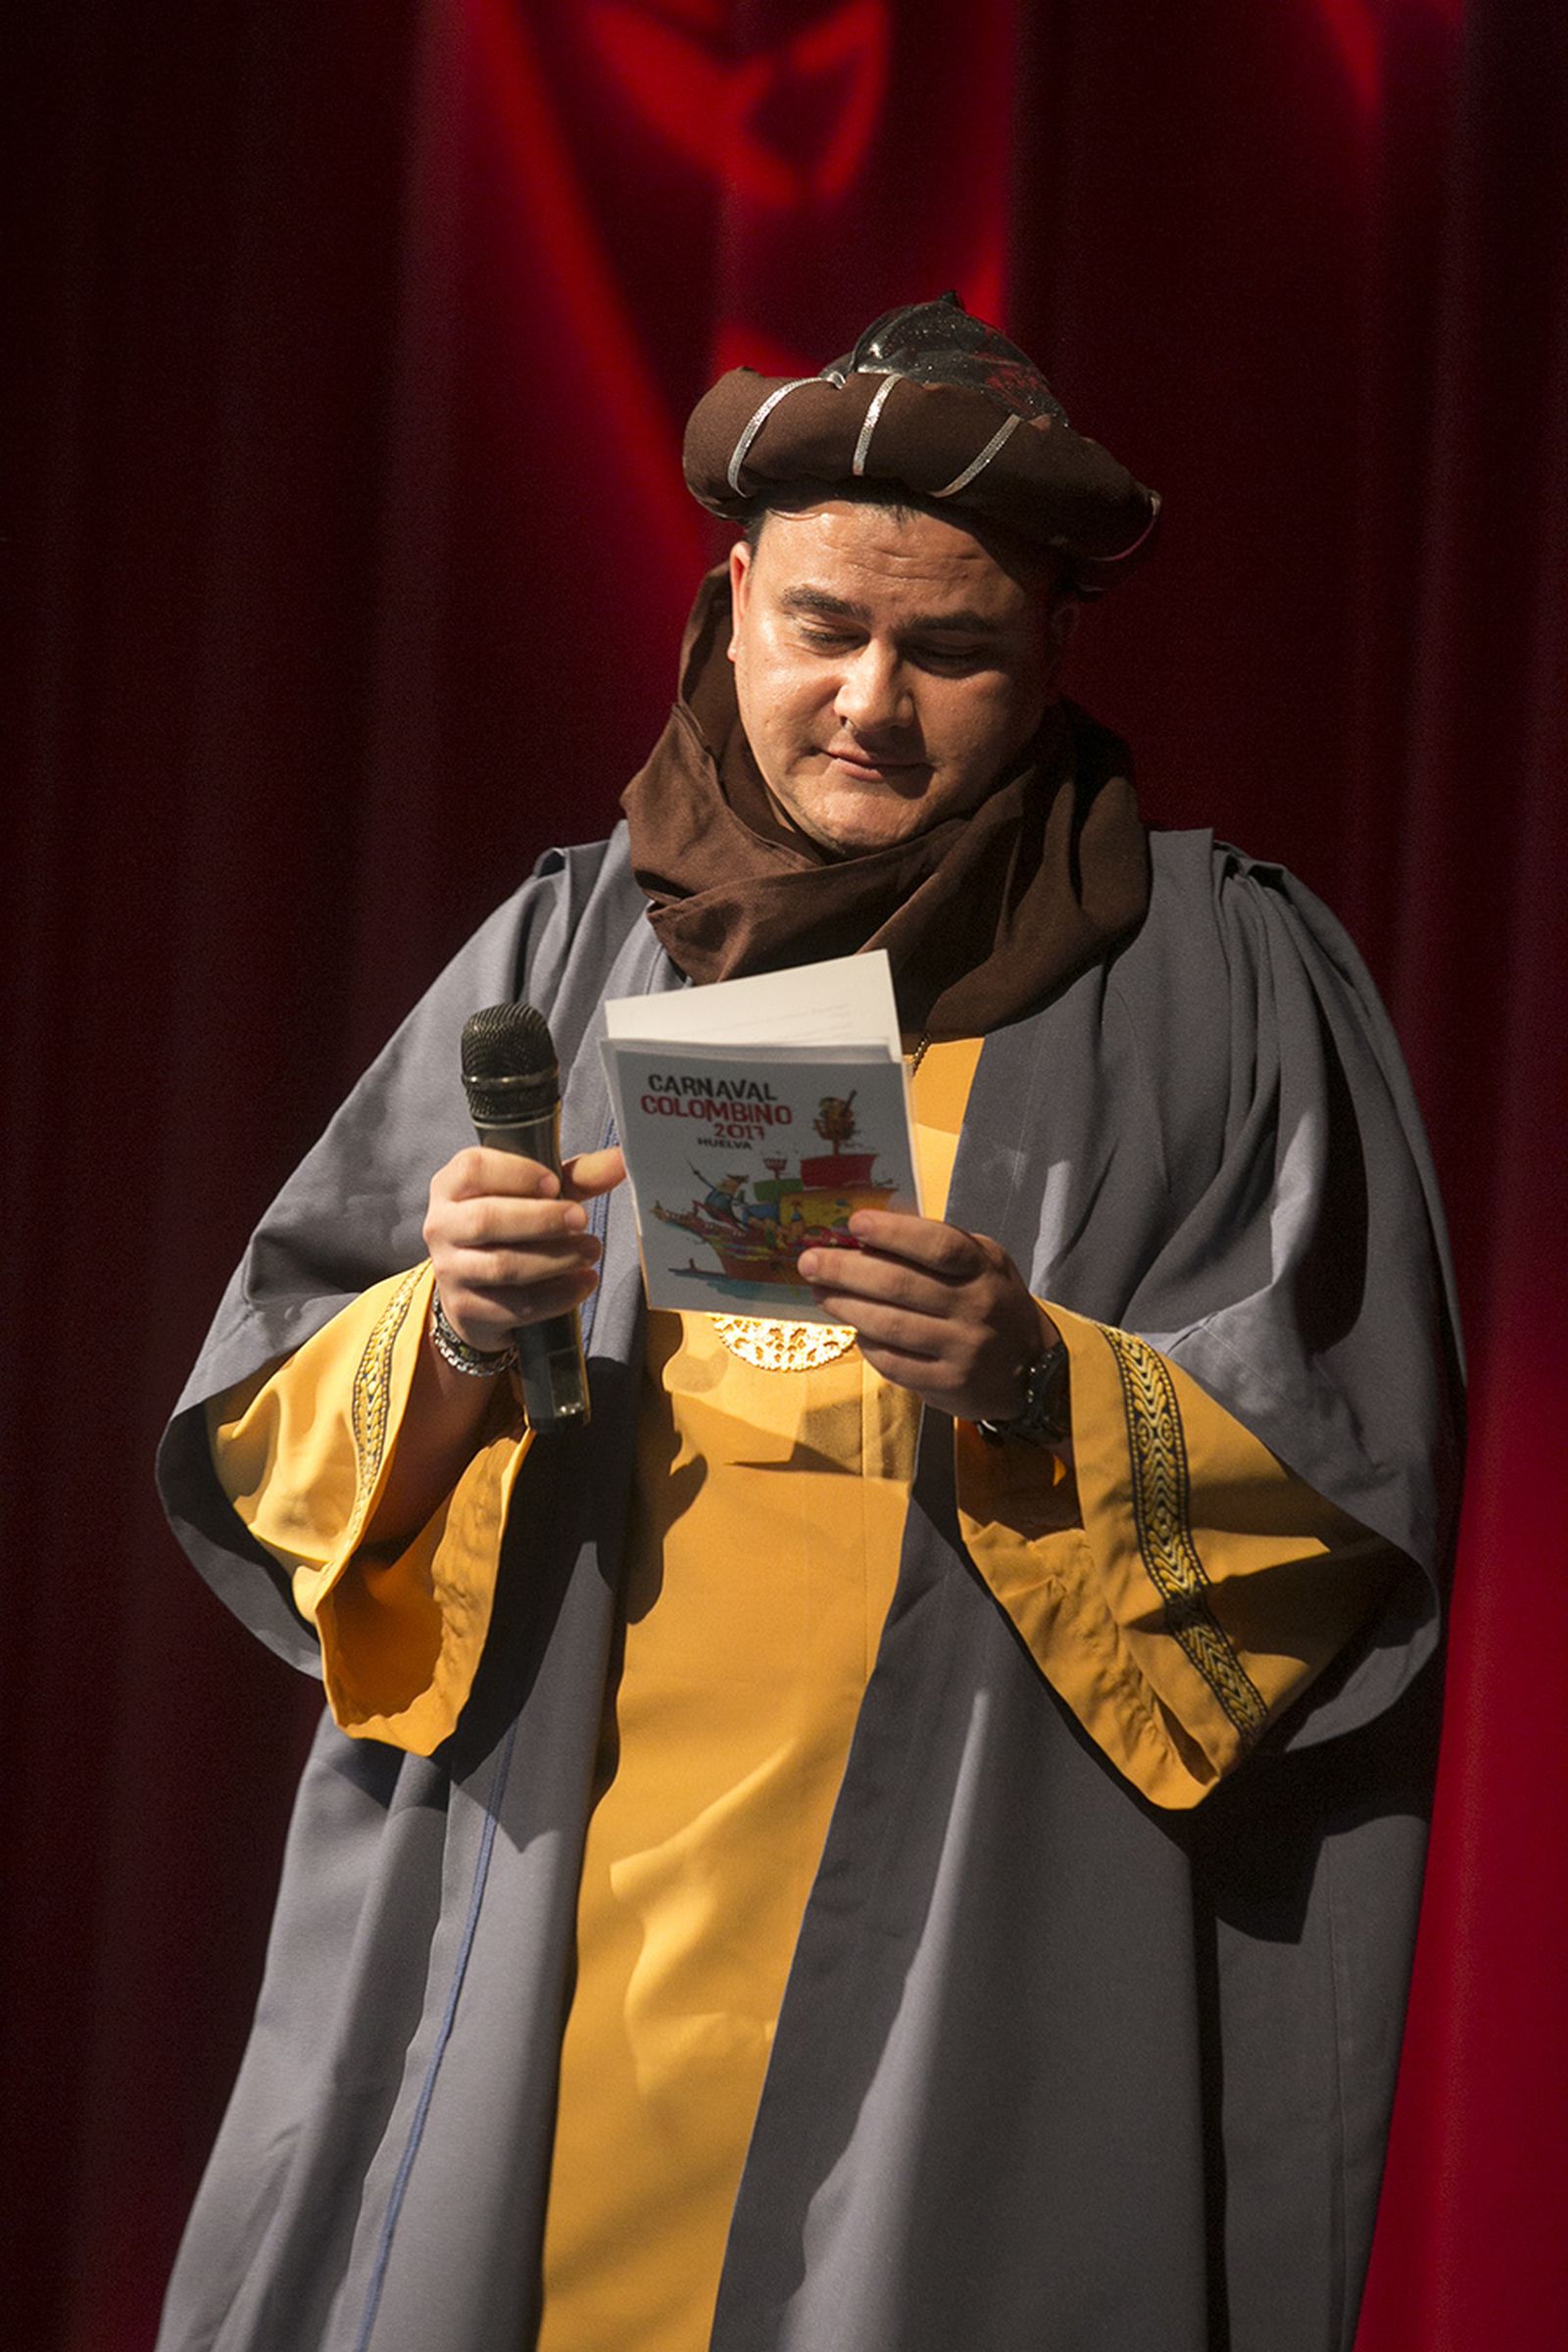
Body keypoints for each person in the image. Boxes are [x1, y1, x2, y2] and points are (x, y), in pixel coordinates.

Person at [156, 296, 1462, 2352]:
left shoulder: (1214, 986)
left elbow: (1347, 1501)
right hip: (553, 1915)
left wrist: (1039, 1382)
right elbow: (276, 1443)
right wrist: (456, 1331)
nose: (869, 703)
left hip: (967, 1945)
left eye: (950, 651)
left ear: (1050, 656)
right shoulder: (568, 946)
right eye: (823, 628)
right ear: (729, 605)